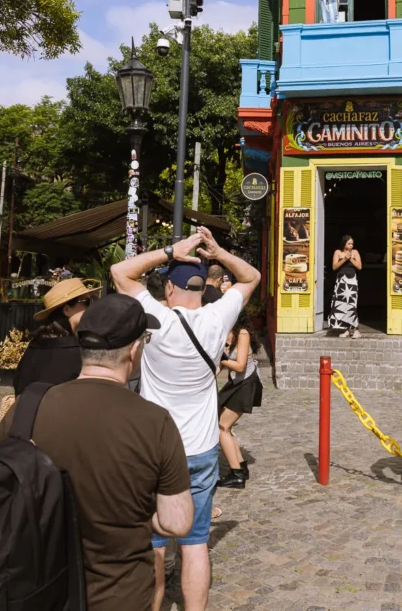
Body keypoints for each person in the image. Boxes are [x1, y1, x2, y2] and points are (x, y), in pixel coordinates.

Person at [0, 293, 194, 611]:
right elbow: (177, 522)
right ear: (135, 350)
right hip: (119, 595)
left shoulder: (27, 408)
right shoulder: (156, 422)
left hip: (37, 591)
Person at [111, 226, 260, 611]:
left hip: (156, 450)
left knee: (157, 546)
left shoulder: (156, 317)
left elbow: (120, 272)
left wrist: (169, 249)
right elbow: (251, 277)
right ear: (199, 289)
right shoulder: (216, 319)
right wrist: (218, 251)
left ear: (171, 290)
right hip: (200, 450)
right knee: (195, 544)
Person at [14, 277, 100, 395]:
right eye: (86, 302)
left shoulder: (34, 347)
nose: (91, 307)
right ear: (66, 309)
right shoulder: (78, 352)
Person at [216, 309, 263, 489]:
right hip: (235, 384)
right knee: (224, 426)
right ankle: (241, 468)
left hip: (247, 383)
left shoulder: (242, 333)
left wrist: (221, 358)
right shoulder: (222, 333)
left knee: (222, 427)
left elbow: (240, 364)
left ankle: (236, 475)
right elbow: (219, 366)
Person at [329, 235, 362, 339]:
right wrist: (344, 259)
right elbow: (334, 267)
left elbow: (359, 267)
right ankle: (346, 330)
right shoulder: (338, 252)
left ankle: (356, 330)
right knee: (342, 306)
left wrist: (350, 259)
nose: (351, 245)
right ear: (344, 244)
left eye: (352, 244)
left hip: (351, 282)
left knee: (352, 306)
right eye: (349, 243)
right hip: (341, 282)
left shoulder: (355, 252)